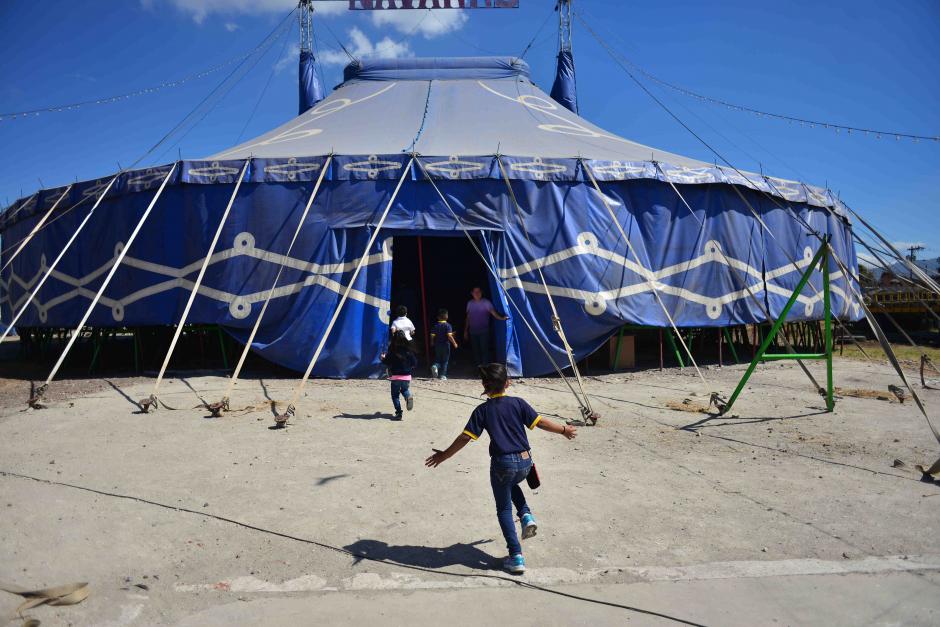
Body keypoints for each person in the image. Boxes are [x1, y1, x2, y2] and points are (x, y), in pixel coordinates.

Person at [424, 363, 577, 574]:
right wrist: (564, 430)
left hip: (502, 463)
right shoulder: (518, 403)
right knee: (511, 482)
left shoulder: (482, 411)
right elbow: (540, 423)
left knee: (504, 508)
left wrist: (444, 455)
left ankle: (516, 556)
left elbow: (464, 438)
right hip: (525, 462)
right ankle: (526, 515)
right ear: (508, 383)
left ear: (484, 386)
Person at [464, 286, 508, 366]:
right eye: (475, 292)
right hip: (473, 331)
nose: (477, 294)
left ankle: (485, 369)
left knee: (484, 351)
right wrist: (465, 331)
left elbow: (493, 313)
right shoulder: (470, 303)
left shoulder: (486, 303)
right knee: (476, 351)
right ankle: (479, 370)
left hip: (484, 331)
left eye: (478, 292)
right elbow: (468, 317)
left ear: (481, 293)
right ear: (472, 294)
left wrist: (502, 318)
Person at [381, 330, 417, 420]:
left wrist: (383, 358)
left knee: (395, 396)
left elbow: (387, 362)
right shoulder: (409, 351)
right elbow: (415, 363)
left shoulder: (392, 351)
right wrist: (410, 367)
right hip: (407, 376)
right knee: (405, 390)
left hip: (396, 377)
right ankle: (408, 397)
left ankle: (399, 413)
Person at [430, 308, 458, 380]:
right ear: (447, 316)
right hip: (446, 345)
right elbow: (449, 336)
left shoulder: (435, 325)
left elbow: (432, 335)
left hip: (437, 345)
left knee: (438, 359)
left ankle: (435, 366)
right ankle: (443, 375)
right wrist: (454, 343)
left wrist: (432, 342)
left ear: (438, 317)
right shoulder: (448, 325)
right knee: (445, 361)